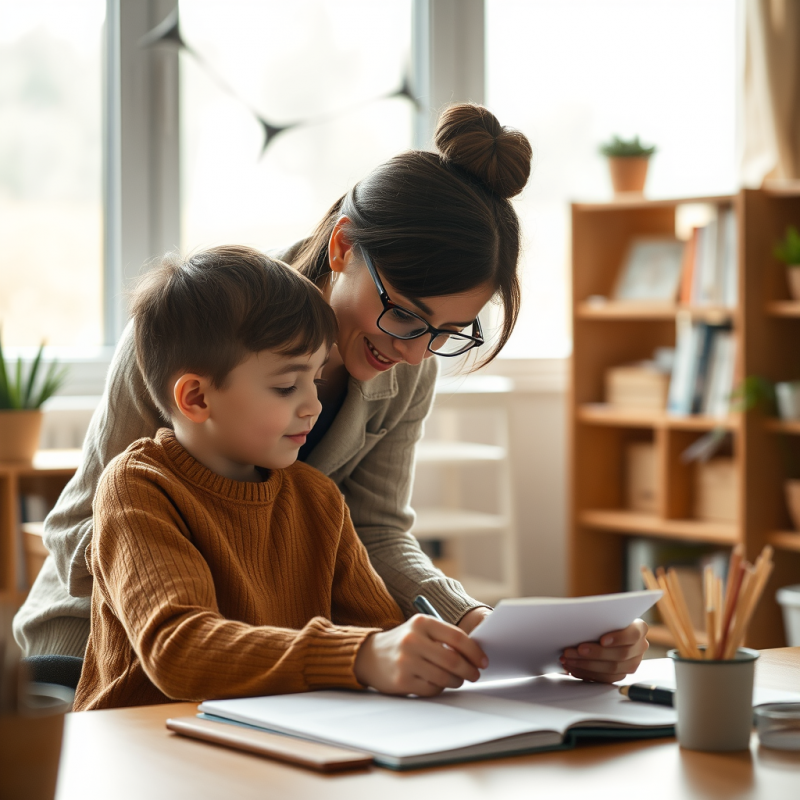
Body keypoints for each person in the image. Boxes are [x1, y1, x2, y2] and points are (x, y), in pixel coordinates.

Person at [16, 103, 648, 684]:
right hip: (100, 650)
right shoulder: (196, 328)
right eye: (404, 313)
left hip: (271, 659)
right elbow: (87, 533)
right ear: (344, 246)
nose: (414, 352)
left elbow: (374, 532)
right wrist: (261, 606)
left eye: (449, 333)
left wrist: (471, 627)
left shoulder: (404, 369)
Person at [75, 246, 491, 710]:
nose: (312, 403)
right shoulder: (137, 488)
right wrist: (361, 656)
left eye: (315, 379)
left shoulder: (317, 498)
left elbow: (386, 635)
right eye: (286, 386)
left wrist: (468, 651)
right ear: (196, 397)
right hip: (144, 746)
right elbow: (178, 649)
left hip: (270, 739)